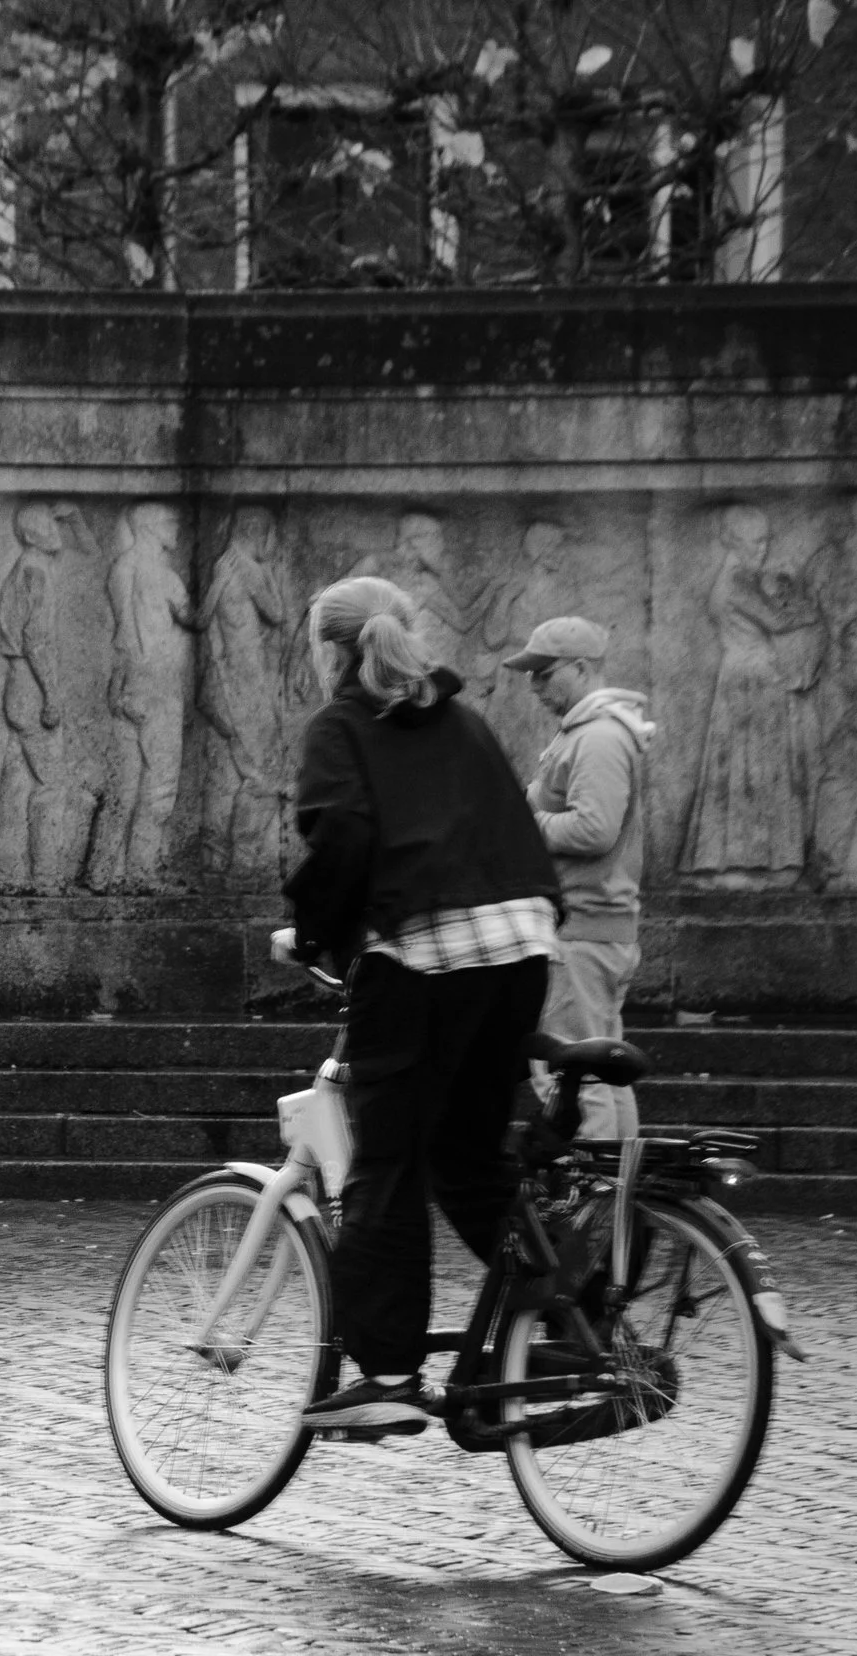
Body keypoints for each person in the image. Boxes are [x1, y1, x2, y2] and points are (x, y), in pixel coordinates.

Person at [280, 576, 559, 1435]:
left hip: (426, 958)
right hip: (523, 948)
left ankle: (391, 1374)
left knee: (386, 1160)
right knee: (469, 1157)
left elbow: (346, 838)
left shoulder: (341, 727)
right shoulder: (463, 720)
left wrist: (312, 931)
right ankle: (572, 1305)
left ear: (332, 653)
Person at [503, 617, 656, 1142]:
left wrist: (524, 824)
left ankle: (596, 1210)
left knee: (573, 1077)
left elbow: (594, 830)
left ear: (582, 668)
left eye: (544, 674)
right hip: (595, 929)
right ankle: (621, 1208)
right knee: (602, 1076)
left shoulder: (599, 738)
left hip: (583, 931)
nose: (534, 687)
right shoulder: (593, 733)